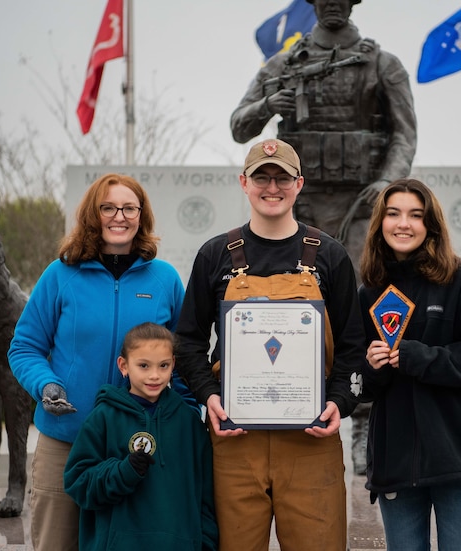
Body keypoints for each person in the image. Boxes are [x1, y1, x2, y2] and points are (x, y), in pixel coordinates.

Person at [231, 0, 417, 474]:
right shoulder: (283, 64)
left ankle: (364, 425)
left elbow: (404, 134)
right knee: (292, 306)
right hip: (301, 204)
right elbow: (240, 126)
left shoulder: (382, 63)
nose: (332, 4)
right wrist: (268, 105)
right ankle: (287, 401)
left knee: (361, 307)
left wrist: (388, 182)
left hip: (362, 204)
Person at [174, 138, 366, 550]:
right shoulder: (215, 255)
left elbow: (354, 346)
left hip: (312, 438)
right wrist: (208, 396)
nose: (272, 187)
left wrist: (339, 403)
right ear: (244, 183)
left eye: (283, 178)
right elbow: (187, 341)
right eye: (262, 177)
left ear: (300, 184)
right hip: (234, 440)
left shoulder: (329, 256)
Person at [8, 173, 194, 551]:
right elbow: (24, 347)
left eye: (129, 208)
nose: (118, 216)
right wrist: (46, 385)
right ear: (92, 215)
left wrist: (189, 420)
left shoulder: (165, 279)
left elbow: (185, 358)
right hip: (65, 438)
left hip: (139, 444)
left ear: (142, 215)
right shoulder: (60, 275)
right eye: (107, 207)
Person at [358, 178, 461, 550]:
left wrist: (419, 357)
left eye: (416, 215)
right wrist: (372, 367)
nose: (403, 223)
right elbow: (363, 385)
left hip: (459, 458)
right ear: (380, 223)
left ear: (431, 225)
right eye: (393, 214)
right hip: (396, 463)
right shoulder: (369, 291)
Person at [64, 322, 217, 551]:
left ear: (173, 364)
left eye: (163, 366)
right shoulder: (103, 417)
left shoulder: (189, 422)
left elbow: (205, 496)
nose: (154, 375)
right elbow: (78, 483)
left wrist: (206, 544)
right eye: (143, 366)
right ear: (123, 366)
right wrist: (122, 472)